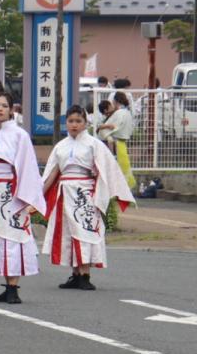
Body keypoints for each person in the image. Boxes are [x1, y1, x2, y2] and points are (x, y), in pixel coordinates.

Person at [41, 105, 135, 291]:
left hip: (86, 192)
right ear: (66, 123)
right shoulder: (61, 146)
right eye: (71, 121)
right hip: (65, 192)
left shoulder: (94, 144)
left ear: (85, 123)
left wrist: (105, 191)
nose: (74, 125)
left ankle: (85, 273)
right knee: (69, 233)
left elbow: (108, 169)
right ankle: (75, 273)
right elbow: (52, 172)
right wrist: (39, 195)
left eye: (78, 121)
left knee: (85, 232)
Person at [0, 91, 45, 304]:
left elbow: (27, 167)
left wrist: (23, 196)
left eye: (4, 106)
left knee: (12, 238)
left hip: (11, 190)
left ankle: (13, 287)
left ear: (11, 109)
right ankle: (7, 286)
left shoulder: (20, 135)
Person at [96, 90, 136, 190]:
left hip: (115, 143)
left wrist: (102, 127)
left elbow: (113, 127)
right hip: (120, 143)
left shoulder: (119, 113)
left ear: (116, 101)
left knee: (114, 167)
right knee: (121, 167)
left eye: (113, 102)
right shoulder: (125, 112)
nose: (112, 104)